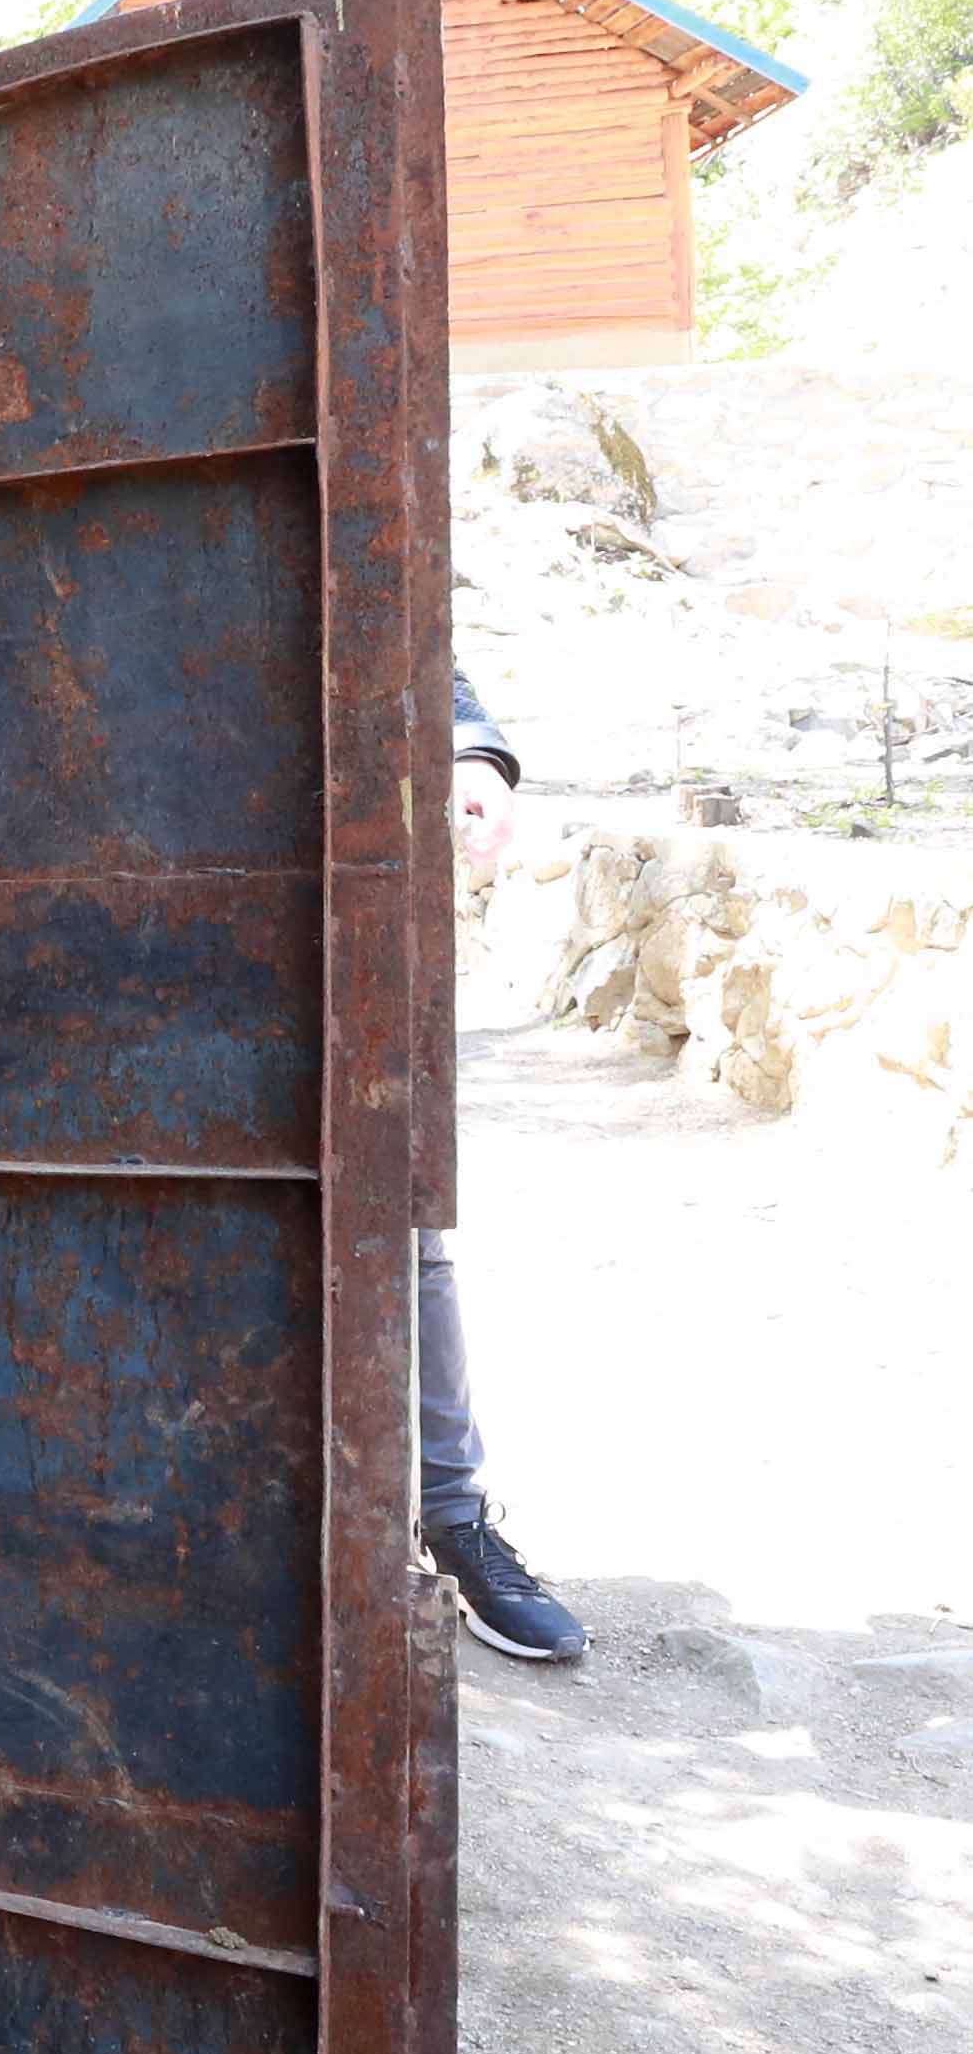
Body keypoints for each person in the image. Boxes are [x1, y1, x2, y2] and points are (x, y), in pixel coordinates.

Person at [428, 667, 587, 1663]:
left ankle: (450, 1523)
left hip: (337, 906)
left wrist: (470, 754)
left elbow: (401, 611)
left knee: (402, 1227)